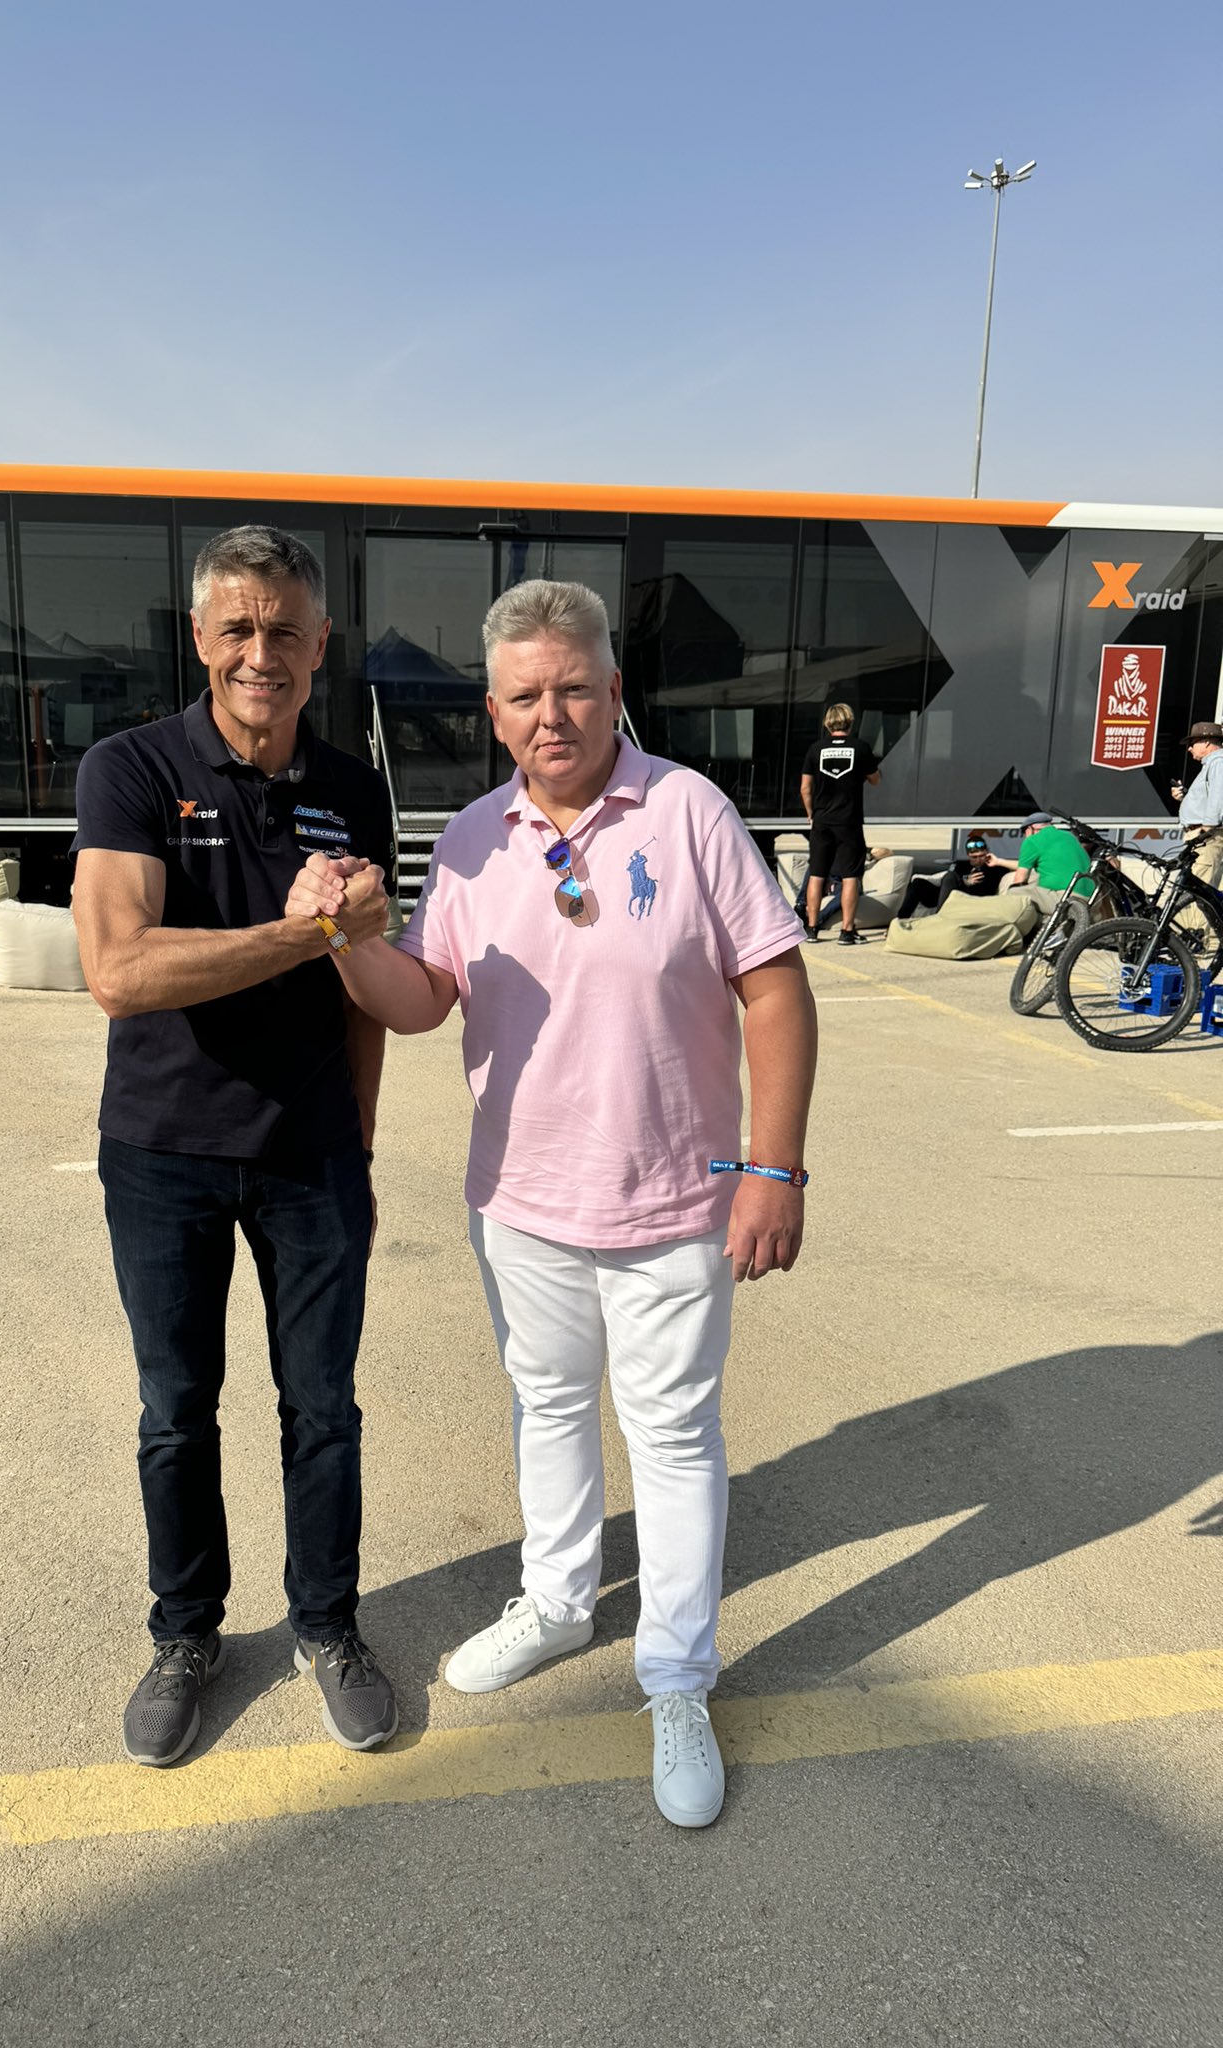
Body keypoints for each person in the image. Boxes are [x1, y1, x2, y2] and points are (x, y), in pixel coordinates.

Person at [285, 579, 817, 1830]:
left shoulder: (688, 812)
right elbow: (424, 998)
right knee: (549, 1408)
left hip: (676, 1203)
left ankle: (677, 1677)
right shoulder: (473, 838)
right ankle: (561, 1599)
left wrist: (774, 1166)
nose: (552, 714)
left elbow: (776, 989)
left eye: (575, 687)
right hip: (523, 1205)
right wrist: (341, 940)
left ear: (613, 689)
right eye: (525, 695)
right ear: (493, 711)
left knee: (673, 1435)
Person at [71, 525, 400, 1767]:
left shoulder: (355, 788)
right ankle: (186, 1634)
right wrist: (302, 933)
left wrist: (361, 1138)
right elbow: (121, 970)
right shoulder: (132, 769)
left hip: (313, 1153)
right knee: (176, 1408)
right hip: (164, 1150)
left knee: (324, 1407)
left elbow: (365, 980)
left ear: (322, 644)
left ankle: (328, 1624)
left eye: (286, 630)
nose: (263, 652)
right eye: (239, 628)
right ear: (202, 637)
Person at [799, 703, 880, 944]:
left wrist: (811, 813)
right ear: (851, 723)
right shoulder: (860, 748)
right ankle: (847, 931)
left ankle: (812, 928)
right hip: (849, 821)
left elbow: (805, 788)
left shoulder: (815, 749)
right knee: (850, 876)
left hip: (822, 820)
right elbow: (875, 779)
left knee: (817, 874)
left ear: (827, 723)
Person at [896, 833, 1014, 919]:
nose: (978, 860)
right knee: (918, 883)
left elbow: (1018, 869)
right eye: (974, 857)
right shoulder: (962, 866)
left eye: (982, 856)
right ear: (968, 855)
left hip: (971, 900)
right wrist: (965, 882)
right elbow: (952, 883)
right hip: (950, 896)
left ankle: (939, 918)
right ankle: (900, 921)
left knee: (950, 876)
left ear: (987, 852)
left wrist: (998, 862)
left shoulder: (996, 868)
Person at [1005, 811, 1094, 914]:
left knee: (1014, 892)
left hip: (1065, 898)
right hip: (1091, 899)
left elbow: (1020, 879)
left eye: (1024, 833)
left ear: (1029, 829)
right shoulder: (1069, 836)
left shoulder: (1032, 841)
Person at [1171, 720, 1223, 888]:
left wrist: (1206, 829)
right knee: (1192, 890)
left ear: (1206, 742)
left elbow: (1218, 798)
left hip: (1206, 838)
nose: (1189, 748)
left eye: (1192, 743)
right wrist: (1185, 798)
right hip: (1202, 837)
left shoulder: (1218, 762)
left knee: (1197, 892)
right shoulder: (1212, 764)